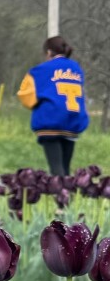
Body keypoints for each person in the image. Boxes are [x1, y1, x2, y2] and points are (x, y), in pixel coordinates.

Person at [17, 35, 88, 176]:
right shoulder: (76, 69)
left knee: (56, 168)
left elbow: (26, 96)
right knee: (65, 168)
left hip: (51, 121)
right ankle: (68, 189)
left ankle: (59, 189)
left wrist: (36, 103)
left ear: (49, 52)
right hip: (72, 120)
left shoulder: (39, 70)